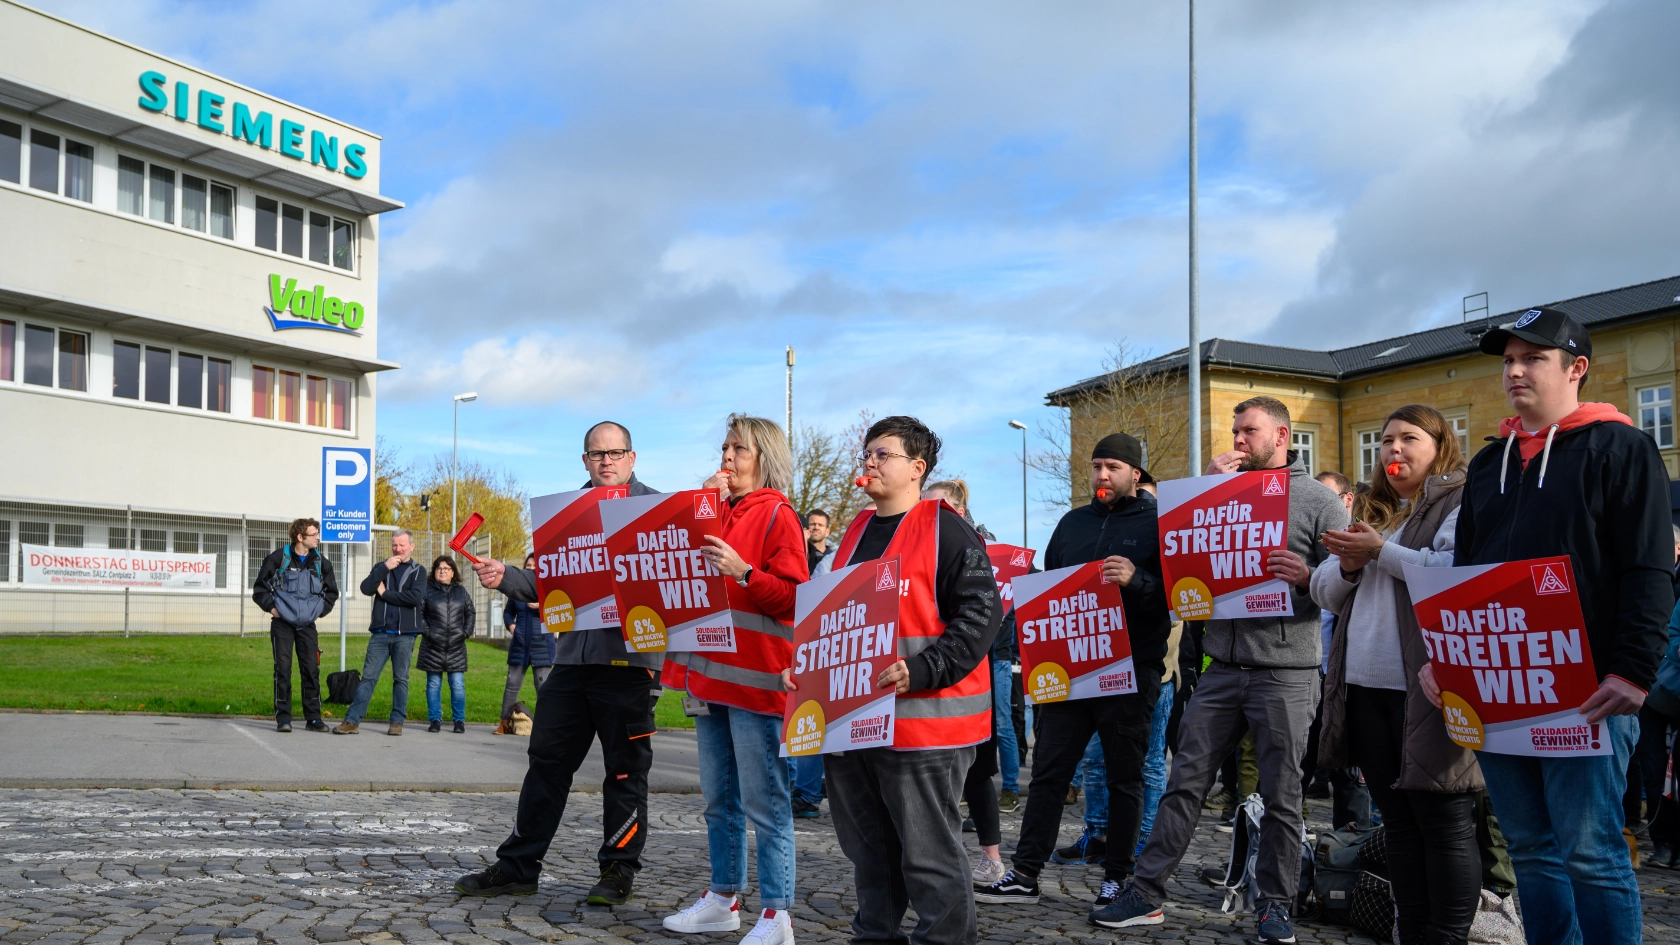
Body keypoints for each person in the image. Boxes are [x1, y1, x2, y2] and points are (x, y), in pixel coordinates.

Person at [1422, 309, 1671, 944]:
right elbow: (1466, 576)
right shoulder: (1488, 464)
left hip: (1590, 691)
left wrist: (1632, 670)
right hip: (1503, 688)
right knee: (1531, 850)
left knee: (1591, 853)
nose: (1514, 371)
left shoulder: (1622, 447)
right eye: (1508, 360)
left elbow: (1647, 567)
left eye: (1532, 358)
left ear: (1575, 368)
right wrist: (1445, 658)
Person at [1095, 397, 1344, 943]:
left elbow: (1348, 582)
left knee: (1282, 796)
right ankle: (1146, 893)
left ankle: (1274, 905)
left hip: (1287, 670)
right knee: (1184, 782)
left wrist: (1308, 577)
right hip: (1223, 667)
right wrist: (1202, 492)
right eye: (1234, 432)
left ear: (1281, 435)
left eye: (1248, 432)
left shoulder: (1319, 501)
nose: (1237, 441)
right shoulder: (1220, 490)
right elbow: (1175, 552)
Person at [781, 416, 1000, 945]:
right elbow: (832, 616)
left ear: (917, 468)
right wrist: (804, 664)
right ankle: (873, 936)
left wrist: (923, 669)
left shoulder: (947, 528)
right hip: (854, 723)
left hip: (924, 726)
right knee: (870, 854)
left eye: (883, 454)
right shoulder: (854, 532)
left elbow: (981, 615)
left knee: (928, 856)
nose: (869, 463)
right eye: (867, 454)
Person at [455, 421, 661, 906]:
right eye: (596, 454)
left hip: (631, 665)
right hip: (571, 661)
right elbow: (547, 585)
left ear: (633, 458)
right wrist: (506, 576)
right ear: (584, 460)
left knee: (625, 772)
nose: (606, 461)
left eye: (615, 453)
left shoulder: (658, 510)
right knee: (545, 764)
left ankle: (617, 870)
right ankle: (518, 866)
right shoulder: (565, 516)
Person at [978, 432, 1170, 911]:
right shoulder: (1071, 523)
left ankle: (1117, 878)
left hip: (1131, 670)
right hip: (1070, 670)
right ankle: (1024, 873)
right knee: (1048, 773)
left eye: (1113, 467)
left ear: (1135, 473)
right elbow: (1049, 585)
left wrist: (1138, 580)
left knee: (1125, 778)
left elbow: (1179, 595)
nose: (1102, 476)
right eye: (1096, 466)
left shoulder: (1158, 524)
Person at [1311, 405, 1481, 945]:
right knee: (1399, 824)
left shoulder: (1461, 500)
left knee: (1445, 822)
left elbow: (1452, 573)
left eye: (1409, 439)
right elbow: (1323, 591)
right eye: (1384, 441)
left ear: (1440, 446)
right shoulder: (1379, 511)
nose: (1393, 451)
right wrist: (1351, 564)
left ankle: (1447, 935)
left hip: (1427, 688)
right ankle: (1409, 929)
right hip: (1364, 688)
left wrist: (1380, 552)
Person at [660, 415, 808, 945]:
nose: (727, 457)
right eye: (724, 447)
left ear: (763, 457)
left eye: (738, 449)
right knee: (719, 801)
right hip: (709, 677)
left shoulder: (779, 516)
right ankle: (723, 898)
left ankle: (777, 915)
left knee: (765, 801)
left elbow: (794, 598)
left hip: (753, 682)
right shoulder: (716, 510)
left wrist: (745, 572)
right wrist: (701, 502)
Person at [918, 479, 1008, 888]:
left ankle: (991, 857)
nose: (929, 513)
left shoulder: (973, 544)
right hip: (927, 677)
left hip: (969, 673)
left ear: (958, 507)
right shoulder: (917, 539)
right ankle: (936, 858)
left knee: (977, 770)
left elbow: (980, 611)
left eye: (938, 507)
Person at [335, 529, 427, 736]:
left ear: (411, 546)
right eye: (395, 545)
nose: (398, 549)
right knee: (368, 677)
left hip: (405, 634)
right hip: (380, 633)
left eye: (402, 545)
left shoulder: (418, 571)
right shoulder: (381, 567)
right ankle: (352, 721)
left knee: (401, 678)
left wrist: (385, 593)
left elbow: (414, 598)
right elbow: (366, 588)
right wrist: (384, 567)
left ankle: (396, 722)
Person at [252, 517, 339, 733]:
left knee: (311, 670)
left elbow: (332, 593)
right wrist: (273, 609)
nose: (318, 538)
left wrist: (318, 612)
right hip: (282, 625)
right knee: (283, 670)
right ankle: (283, 718)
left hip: (307, 625)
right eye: (314, 534)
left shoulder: (321, 563)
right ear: (300, 537)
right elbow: (260, 590)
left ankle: (314, 718)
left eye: (317, 534)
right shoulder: (278, 559)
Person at [418, 555, 476, 734]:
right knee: (433, 684)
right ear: (434, 571)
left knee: (457, 684)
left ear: (453, 572)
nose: (442, 571)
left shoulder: (461, 591)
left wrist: (465, 632)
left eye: (446, 568)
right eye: (439, 568)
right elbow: (418, 615)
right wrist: (429, 633)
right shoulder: (426, 590)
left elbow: (471, 612)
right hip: (432, 646)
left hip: (456, 647)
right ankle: (435, 719)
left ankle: (459, 721)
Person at [500, 553, 555, 732]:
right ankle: (504, 723)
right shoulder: (517, 590)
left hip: (543, 645)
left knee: (544, 687)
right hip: (520, 644)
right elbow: (508, 612)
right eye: (528, 565)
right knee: (512, 684)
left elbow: (561, 610)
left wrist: (543, 605)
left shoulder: (550, 589)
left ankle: (546, 727)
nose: (531, 568)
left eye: (535, 566)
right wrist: (511, 625)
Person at [805, 508, 837, 575]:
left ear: (827, 532)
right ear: (806, 529)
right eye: (812, 524)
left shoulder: (835, 559)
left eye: (820, 525)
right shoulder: (798, 557)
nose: (816, 527)